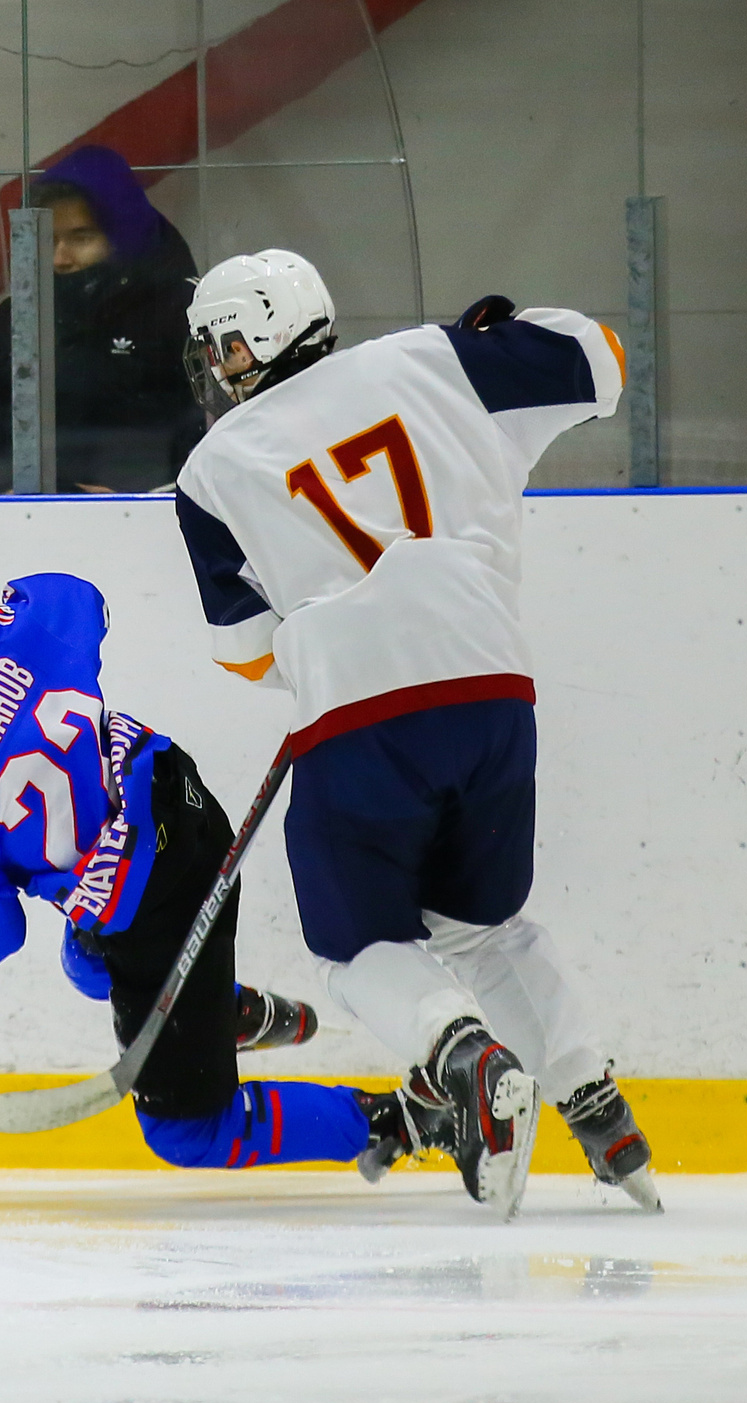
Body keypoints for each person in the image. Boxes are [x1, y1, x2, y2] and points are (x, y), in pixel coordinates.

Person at [173, 250, 660, 1219]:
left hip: (358, 714)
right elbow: (600, 357)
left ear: (246, 342)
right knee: (489, 927)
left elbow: (246, 654)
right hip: (491, 690)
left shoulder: (210, 472)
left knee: (357, 950)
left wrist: (326, 643)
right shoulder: (438, 361)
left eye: (217, 348)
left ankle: (463, 1058)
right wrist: (495, 328)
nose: (213, 370)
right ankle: (600, 1116)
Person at [0, 568, 408, 1180]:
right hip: (183, 804)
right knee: (88, 965)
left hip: (154, 910)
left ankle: (400, 1119)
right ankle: (217, 1013)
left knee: (189, 1133)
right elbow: (75, 595)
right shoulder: (26, 633)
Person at [0, 146, 204, 496]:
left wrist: (137, 500)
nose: (60, 258)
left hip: (159, 526)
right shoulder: (11, 325)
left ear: (123, 237)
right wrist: (15, 495)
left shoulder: (186, 315)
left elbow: (212, 443)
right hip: (31, 528)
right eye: (48, 239)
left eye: (81, 237)